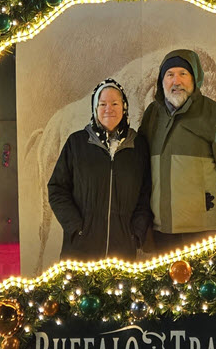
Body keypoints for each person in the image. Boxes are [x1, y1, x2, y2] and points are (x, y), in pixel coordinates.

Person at [139, 49, 216, 251]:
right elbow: (143, 173)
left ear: (195, 78)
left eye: (183, 73)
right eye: (170, 75)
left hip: (204, 234)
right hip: (161, 233)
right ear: (162, 81)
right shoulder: (152, 115)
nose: (176, 81)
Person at [47, 79, 152, 260]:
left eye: (114, 103)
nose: (108, 109)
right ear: (95, 109)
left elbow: (146, 193)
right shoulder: (77, 143)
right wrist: (76, 228)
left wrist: (136, 233)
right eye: (102, 104)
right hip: (80, 251)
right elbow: (57, 189)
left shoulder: (138, 146)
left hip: (123, 252)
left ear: (124, 107)